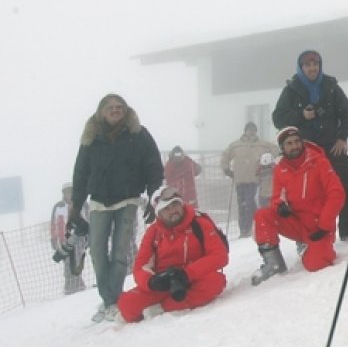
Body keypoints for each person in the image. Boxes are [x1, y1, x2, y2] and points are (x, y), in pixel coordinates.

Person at [71, 93, 164, 322]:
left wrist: (153, 198)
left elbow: (153, 166)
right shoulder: (91, 138)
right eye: (110, 107)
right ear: (101, 111)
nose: (115, 110)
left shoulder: (138, 135)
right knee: (97, 251)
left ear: (125, 110)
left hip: (128, 200)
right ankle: (109, 299)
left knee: (120, 251)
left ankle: (113, 301)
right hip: (99, 201)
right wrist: (75, 207)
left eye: (119, 107)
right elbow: (81, 173)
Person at [272, 50, 348, 242]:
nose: (312, 68)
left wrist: (342, 138)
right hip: (305, 150)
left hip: (332, 146)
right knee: (305, 194)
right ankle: (305, 235)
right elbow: (278, 118)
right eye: (308, 65)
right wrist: (301, 116)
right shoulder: (291, 90)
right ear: (301, 67)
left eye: (316, 64)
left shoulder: (331, 86)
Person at [117, 187, 228, 322]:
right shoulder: (153, 233)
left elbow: (219, 255)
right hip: (163, 282)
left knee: (215, 282)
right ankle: (161, 307)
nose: (173, 211)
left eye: (175, 205)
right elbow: (140, 267)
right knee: (126, 304)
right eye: (167, 209)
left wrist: (187, 274)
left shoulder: (199, 223)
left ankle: (164, 308)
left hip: (195, 277)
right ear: (159, 214)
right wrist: (152, 282)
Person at [251, 127, 346, 284]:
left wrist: (324, 225)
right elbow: (276, 198)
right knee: (263, 215)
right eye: (289, 143)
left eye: (297, 141)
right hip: (296, 223)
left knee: (316, 265)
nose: (294, 146)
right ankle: (274, 264)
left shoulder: (319, 162)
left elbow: (337, 194)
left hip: (319, 227)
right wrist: (279, 206)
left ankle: (313, 248)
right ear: (282, 148)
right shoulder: (280, 169)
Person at [221, 122, 277, 238]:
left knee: (249, 202)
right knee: (242, 205)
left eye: (253, 130)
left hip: (256, 178)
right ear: (245, 131)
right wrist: (226, 168)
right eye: (249, 130)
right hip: (240, 179)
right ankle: (245, 229)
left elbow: (275, 149)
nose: (251, 132)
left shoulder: (262, 144)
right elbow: (225, 155)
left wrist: (268, 162)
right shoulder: (236, 145)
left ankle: (252, 226)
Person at [50, 182, 87, 295]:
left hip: (79, 238)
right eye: (67, 192)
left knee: (77, 260)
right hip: (64, 239)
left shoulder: (81, 204)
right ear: (63, 194)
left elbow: (88, 220)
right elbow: (53, 223)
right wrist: (53, 238)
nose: (69, 194)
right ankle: (69, 286)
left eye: (71, 192)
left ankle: (78, 283)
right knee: (67, 262)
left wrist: (88, 236)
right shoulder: (58, 207)